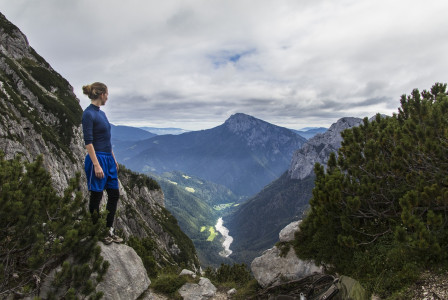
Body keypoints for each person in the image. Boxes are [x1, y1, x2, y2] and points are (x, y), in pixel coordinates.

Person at [81, 82, 123, 244]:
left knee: (114, 194)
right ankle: (95, 231)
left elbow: (107, 140)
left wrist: (113, 158)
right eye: (107, 94)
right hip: (97, 158)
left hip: (108, 158)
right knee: (96, 195)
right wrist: (97, 164)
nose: (108, 97)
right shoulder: (88, 114)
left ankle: (108, 229)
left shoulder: (102, 114)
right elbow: (88, 142)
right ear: (101, 94)